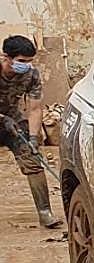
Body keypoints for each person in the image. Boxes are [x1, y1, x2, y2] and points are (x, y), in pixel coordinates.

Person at [1, 35, 60, 227]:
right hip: (5, 119)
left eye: (29, 61)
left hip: (13, 122)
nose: (26, 65)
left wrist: (34, 138)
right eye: (21, 61)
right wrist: (3, 119)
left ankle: (45, 212)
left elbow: (34, 108)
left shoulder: (31, 75)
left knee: (32, 161)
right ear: (6, 57)